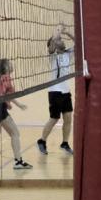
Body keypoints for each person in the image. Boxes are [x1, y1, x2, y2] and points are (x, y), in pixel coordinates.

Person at [37, 24, 74, 155]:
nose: (62, 41)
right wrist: (59, 29)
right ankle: (42, 141)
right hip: (55, 91)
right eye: (59, 40)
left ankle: (65, 143)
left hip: (65, 91)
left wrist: (68, 33)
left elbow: (80, 44)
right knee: (54, 118)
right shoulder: (53, 55)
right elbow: (53, 40)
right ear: (53, 44)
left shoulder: (68, 54)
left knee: (68, 118)